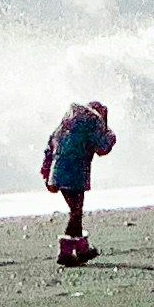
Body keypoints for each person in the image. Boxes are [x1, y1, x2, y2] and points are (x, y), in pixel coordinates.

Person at [40, 99, 117, 265]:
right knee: (76, 212)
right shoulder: (93, 122)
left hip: (58, 171)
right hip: (75, 173)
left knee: (76, 211)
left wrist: (46, 173)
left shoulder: (67, 123)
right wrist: (110, 134)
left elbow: (50, 145)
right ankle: (66, 252)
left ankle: (82, 249)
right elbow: (102, 147)